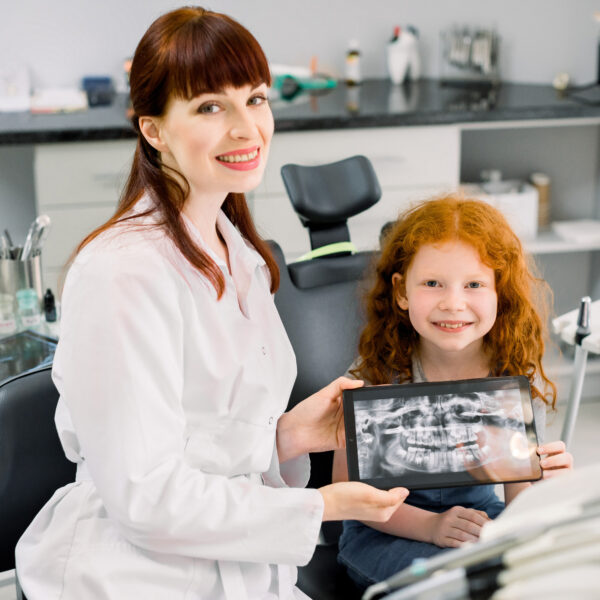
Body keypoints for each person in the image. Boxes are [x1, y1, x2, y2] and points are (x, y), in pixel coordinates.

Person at [15, 7, 408, 599]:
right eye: (209, 107)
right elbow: (147, 499)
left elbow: (203, 437)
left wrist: (287, 436)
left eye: (255, 99)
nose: (247, 129)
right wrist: (319, 506)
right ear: (152, 129)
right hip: (132, 576)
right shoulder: (123, 272)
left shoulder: (237, 250)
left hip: (238, 569)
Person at [332, 196, 574, 590]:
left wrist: (547, 485)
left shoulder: (511, 377)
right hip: (383, 531)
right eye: (432, 283)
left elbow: (518, 501)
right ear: (401, 291)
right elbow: (349, 495)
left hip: (481, 522)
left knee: (536, 576)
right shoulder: (376, 375)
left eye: (475, 284)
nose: (453, 303)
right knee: (453, 586)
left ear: (501, 293)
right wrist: (431, 526)